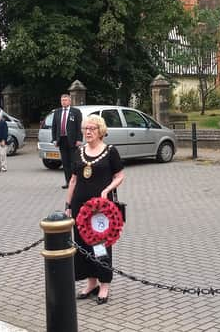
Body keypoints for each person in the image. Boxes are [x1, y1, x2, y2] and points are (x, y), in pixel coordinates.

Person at [64, 115, 124, 305]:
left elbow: (120, 176)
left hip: (100, 210)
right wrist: (67, 205)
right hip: (80, 208)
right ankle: (91, 283)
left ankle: (104, 284)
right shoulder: (79, 152)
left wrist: (107, 190)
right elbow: (73, 180)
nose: (87, 132)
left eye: (91, 128)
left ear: (100, 131)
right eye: (85, 129)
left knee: (100, 246)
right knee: (82, 245)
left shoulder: (110, 151)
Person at [52, 94, 83, 189]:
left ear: (70, 101)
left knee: (73, 162)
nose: (64, 102)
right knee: (65, 162)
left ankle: (76, 181)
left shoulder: (76, 112)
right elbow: (54, 127)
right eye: (62, 100)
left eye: (65, 100)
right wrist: (54, 139)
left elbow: (79, 127)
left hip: (73, 140)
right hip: (61, 140)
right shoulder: (57, 112)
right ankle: (68, 182)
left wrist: (79, 139)